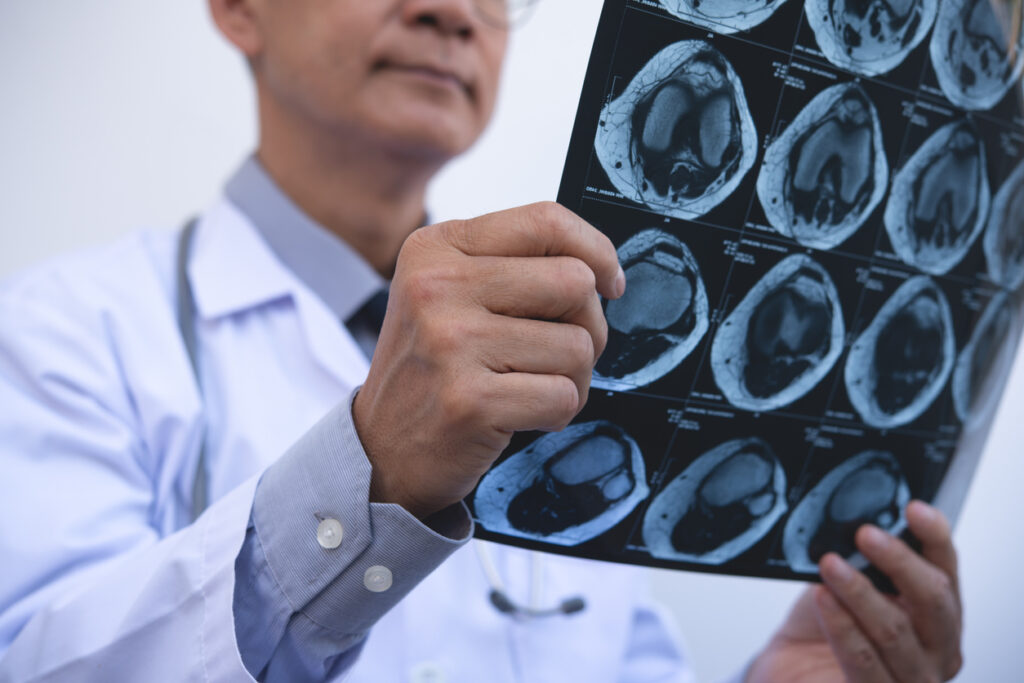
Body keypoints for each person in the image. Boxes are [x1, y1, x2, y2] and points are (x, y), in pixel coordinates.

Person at [0, 0, 963, 681]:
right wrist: (370, 474)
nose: (453, 11)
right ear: (236, 8)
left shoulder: (584, 353)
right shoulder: (65, 335)